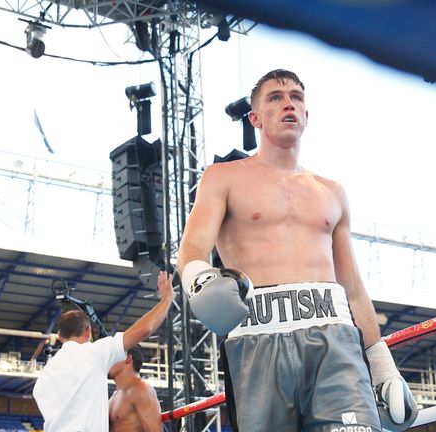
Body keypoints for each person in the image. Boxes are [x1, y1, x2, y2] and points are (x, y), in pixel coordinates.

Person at [178, 69, 417, 432]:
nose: (288, 103)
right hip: (258, 342)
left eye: (296, 97)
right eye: (275, 97)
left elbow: (352, 288)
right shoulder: (223, 177)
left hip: (335, 342)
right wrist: (198, 278)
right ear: (255, 118)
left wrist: (383, 367)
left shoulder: (332, 191)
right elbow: (193, 247)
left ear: (306, 116)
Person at [32, 271, 173, 432]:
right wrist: (166, 299)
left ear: (60, 336)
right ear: (88, 332)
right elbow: (145, 329)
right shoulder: (94, 354)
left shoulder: (43, 378)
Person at [107, 345, 163, 432]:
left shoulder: (141, 390)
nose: (108, 361)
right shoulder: (114, 396)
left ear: (128, 358)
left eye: (113, 357)